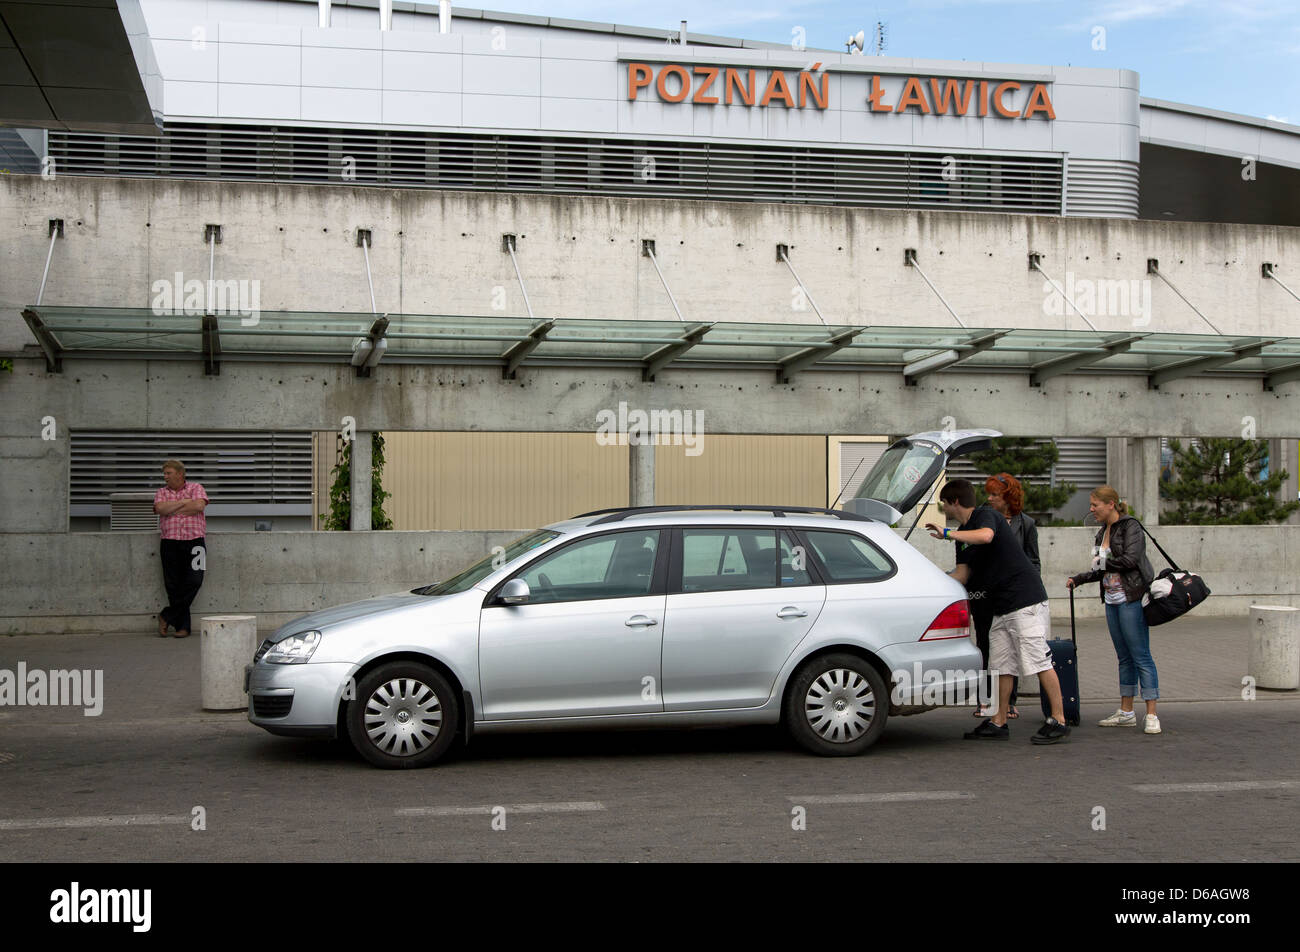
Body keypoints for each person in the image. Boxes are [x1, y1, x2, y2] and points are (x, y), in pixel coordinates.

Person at [925, 478, 1070, 744]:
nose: (943, 509)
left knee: (1038, 660)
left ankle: (1059, 720)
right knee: (1000, 665)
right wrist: (931, 581)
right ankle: (998, 721)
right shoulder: (962, 537)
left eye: (944, 503)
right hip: (1001, 607)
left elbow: (987, 536)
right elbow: (962, 574)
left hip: (1025, 601)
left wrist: (946, 534)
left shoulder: (986, 515)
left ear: (954, 502)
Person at [1066, 486, 1160, 733]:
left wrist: (1102, 563)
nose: (1091, 509)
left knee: (1141, 655)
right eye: (1091, 504)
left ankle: (1151, 714)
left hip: (1132, 598)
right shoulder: (1101, 533)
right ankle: (1126, 711)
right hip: (1112, 600)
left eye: (1095, 504)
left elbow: (1131, 559)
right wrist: (1079, 578)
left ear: (1111, 504)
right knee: (1124, 657)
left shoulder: (1131, 527)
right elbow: (1100, 569)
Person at [982, 472, 1041, 718]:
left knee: (1013, 650)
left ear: (1008, 498)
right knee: (987, 647)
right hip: (988, 592)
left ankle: (1009, 702)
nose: (989, 498)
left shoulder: (1025, 523)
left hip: (1016, 596)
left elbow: (1034, 562)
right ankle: (986, 700)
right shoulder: (985, 519)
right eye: (989, 493)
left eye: (995, 494)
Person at [153, 459, 209, 638]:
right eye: (165, 474)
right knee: (173, 586)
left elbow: (199, 505)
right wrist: (184, 503)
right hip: (170, 543)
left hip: (195, 542)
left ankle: (166, 615)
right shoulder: (161, 492)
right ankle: (183, 628)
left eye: (168, 473)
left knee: (195, 580)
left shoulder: (196, 488)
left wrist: (173, 509)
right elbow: (161, 509)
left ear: (180, 474)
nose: (165, 477)